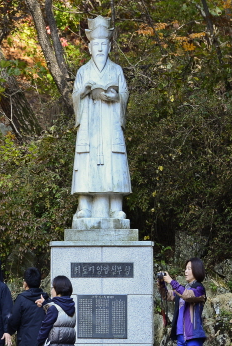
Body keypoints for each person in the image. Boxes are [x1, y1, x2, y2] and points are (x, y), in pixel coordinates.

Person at [71, 15, 130, 229]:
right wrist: (86, 91)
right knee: (86, 163)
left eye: (104, 44)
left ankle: (115, 206)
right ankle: (84, 205)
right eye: (96, 44)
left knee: (113, 163)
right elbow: (75, 96)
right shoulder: (83, 71)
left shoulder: (116, 70)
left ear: (110, 46)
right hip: (90, 125)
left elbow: (124, 93)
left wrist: (116, 97)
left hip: (109, 124)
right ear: (89, 47)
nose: (100, 48)